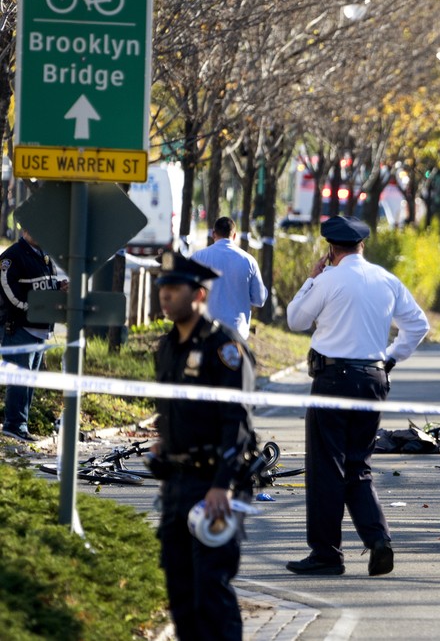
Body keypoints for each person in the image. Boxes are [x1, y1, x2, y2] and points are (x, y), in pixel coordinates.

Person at [285, 216, 429, 577]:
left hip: (334, 379)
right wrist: (391, 358)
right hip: (373, 379)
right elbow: (418, 325)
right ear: (362, 245)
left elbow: (296, 320)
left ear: (331, 249)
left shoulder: (329, 278)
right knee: (357, 465)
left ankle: (326, 554)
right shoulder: (386, 279)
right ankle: (378, 539)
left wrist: (311, 279)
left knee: (325, 468)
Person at [146, 252, 256, 641]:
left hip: (215, 485)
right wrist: (163, 445)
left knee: (211, 587)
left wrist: (222, 485)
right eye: (163, 288)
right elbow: (171, 409)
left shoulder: (224, 347)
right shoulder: (167, 347)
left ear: (199, 294)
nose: (165, 296)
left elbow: (237, 421)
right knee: (180, 591)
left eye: (174, 289)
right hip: (176, 483)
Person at [0, 227, 67, 442]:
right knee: (20, 380)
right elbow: (8, 291)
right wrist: (33, 308)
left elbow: (42, 285)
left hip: (40, 329)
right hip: (19, 328)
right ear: (23, 229)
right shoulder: (11, 257)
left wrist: (58, 287)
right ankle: (14, 426)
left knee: (29, 381)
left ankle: (22, 426)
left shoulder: (44, 256)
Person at [191, 216, 267, 339]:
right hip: (236, 333)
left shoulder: (198, 257)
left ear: (213, 234)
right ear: (235, 235)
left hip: (204, 331)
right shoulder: (249, 261)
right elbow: (260, 299)